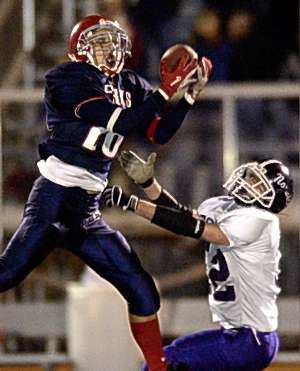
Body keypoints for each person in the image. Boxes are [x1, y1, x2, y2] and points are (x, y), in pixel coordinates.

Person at [0, 14, 212, 371]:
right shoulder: (66, 77)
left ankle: (157, 367)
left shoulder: (129, 82)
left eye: (114, 42)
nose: (110, 49)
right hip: (54, 197)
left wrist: (186, 99)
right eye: (100, 42)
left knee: (142, 290)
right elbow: (116, 120)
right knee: (7, 274)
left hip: (86, 208)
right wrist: (163, 92)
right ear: (79, 49)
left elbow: (158, 133)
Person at [103, 150, 294, 371]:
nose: (249, 183)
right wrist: (148, 184)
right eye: (251, 178)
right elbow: (181, 215)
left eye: (258, 184)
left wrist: (133, 204)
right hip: (244, 338)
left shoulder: (261, 220)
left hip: (247, 340)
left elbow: (191, 227)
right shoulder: (229, 208)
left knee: (161, 364)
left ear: (272, 200)